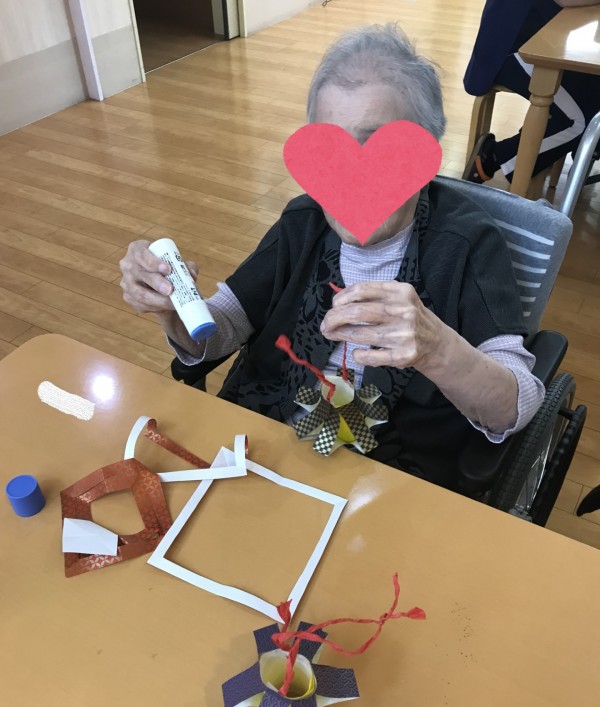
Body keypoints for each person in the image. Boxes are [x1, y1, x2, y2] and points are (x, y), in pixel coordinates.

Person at [120, 23, 545, 494]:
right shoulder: (302, 222)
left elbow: (515, 406)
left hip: (389, 477)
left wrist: (438, 349)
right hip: (265, 445)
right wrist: (174, 308)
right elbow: (220, 332)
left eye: (377, 146)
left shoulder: (466, 241)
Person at [463, 0, 600, 184]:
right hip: (512, 52)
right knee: (582, 121)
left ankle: (561, 149)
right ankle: (492, 158)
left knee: (594, 94)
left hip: (544, 42)